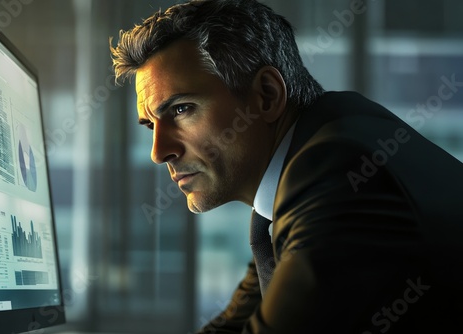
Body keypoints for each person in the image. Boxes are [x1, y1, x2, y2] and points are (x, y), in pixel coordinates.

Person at [110, 0, 463, 332]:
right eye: (151, 125)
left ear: (267, 95)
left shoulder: (338, 174)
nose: (159, 151)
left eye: (182, 109)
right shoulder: (296, 181)